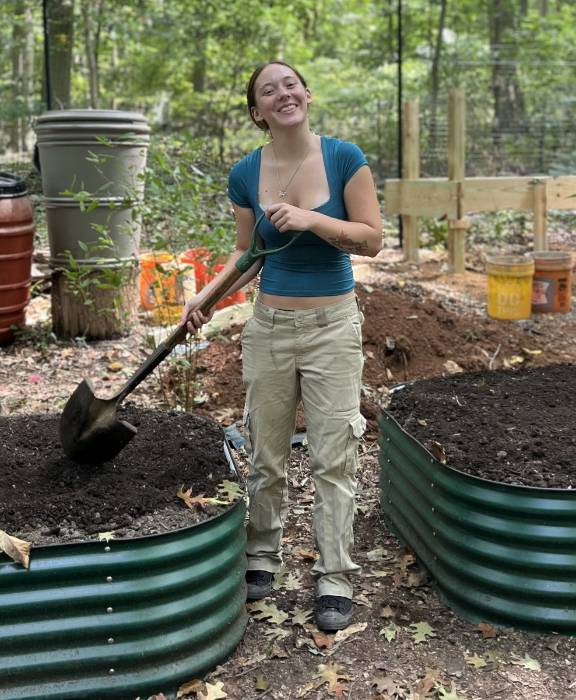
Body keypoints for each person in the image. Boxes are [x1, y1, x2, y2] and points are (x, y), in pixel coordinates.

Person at [183, 61, 382, 631]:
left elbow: (370, 240)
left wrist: (311, 221)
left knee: (333, 457)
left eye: (289, 84)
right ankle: (261, 558)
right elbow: (247, 255)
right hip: (269, 328)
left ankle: (335, 578)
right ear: (257, 112)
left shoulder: (345, 158)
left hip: (332, 328)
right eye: (268, 91)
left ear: (307, 94)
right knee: (265, 454)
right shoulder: (246, 172)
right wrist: (207, 297)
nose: (282, 94)